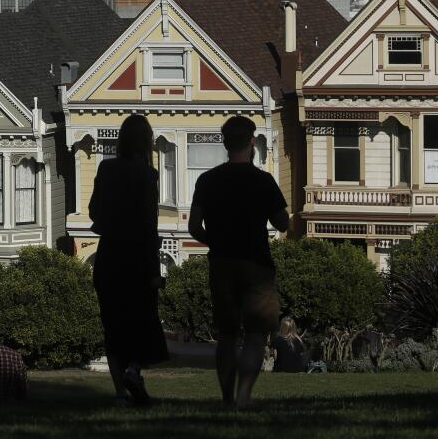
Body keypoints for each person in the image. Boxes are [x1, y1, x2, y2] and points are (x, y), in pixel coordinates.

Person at [188, 115, 289, 409]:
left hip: (221, 262)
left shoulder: (207, 180)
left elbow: (195, 226)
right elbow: (281, 223)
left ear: (224, 142)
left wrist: (216, 241)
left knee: (227, 335)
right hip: (256, 262)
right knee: (256, 334)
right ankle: (244, 395)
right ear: (251, 143)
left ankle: (226, 397)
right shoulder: (263, 181)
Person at [88, 113, 169, 405]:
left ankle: (120, 391)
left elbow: (95, 212)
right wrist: (154, 268)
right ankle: (134, 370)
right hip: (137, 257)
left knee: (113, 325)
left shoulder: (106, 169)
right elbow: (149, 223)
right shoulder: (147, 176)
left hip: (109, 255)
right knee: (142, 321)